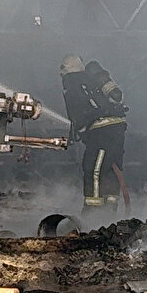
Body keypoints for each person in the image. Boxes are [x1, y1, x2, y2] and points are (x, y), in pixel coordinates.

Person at [60, 55, 128, 215]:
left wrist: (81, 132)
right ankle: (110, 210)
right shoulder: (90, 81)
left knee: (93, 169)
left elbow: (78, 115)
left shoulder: (72, 84)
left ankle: (93, 211)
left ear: (66, 70)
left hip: (102, 133)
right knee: (111, 170)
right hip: (116, 129)